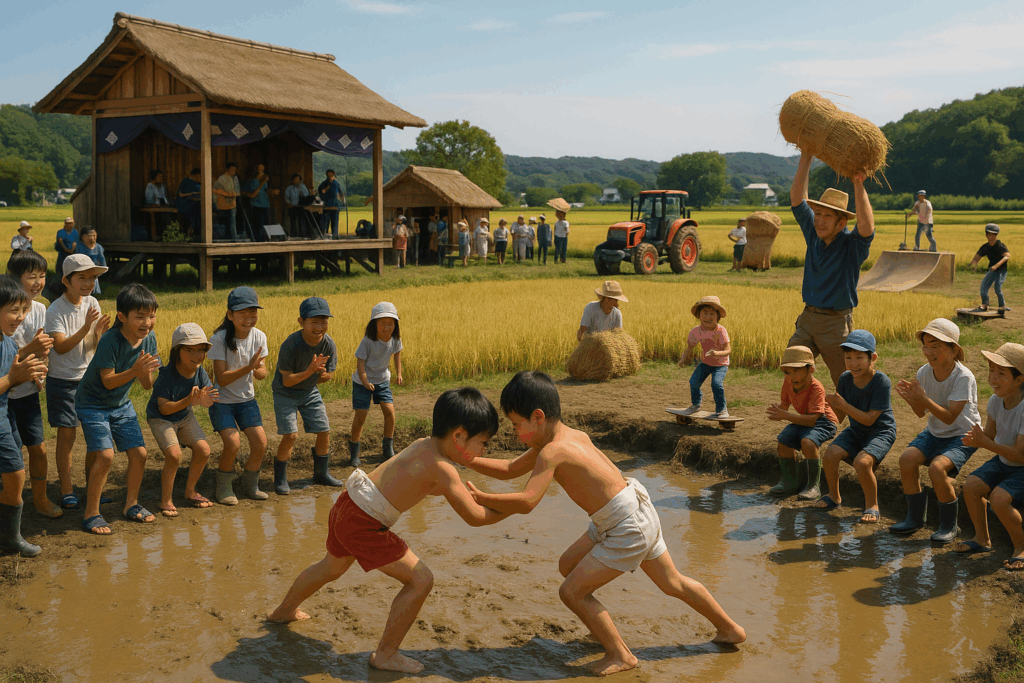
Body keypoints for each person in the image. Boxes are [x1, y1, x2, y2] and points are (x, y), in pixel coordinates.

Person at [465, 371, 746, 675]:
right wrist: (465, 459)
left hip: (625, 526)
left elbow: (527, 501)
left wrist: (482, 498)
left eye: (516, 424)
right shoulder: (571, 436)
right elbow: (509, 469)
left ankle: (620, 654)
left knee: (571, 592)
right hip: (635, 509)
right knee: (581, 567)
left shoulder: (552, 451)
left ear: (538, 417)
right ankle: (730, 629)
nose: (515, 432)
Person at [269, 387, 508, 674]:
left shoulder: (423, 445)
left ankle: (282, 612)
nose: (484, 451)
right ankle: (386, 655)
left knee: (331, 566)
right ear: (458, 436)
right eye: (482, 442)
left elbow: (421, 485)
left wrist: (464, 495)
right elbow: (475, 518)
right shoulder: (444, 469)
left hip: (347, 503)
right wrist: (513, 507)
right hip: (363, 522)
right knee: (421, 580)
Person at [75, 283, 160, 535]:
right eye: (140, 317)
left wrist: (142, 372)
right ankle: (91, 513)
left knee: (140, 453)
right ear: (122, 317)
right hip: (92, 403)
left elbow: (147, 385)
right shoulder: (110, 340)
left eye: (152, 316)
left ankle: (131, 504)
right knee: (105, 455)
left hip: (121, 404)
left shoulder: (150, 339)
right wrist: (135, 370)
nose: (147, 323)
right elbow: (108, 381)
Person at [789, 150, 875, 389]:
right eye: (818, 214)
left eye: (828, 216)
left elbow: (866, 228)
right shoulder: (813, 234)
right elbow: (797, 199)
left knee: (846, 381)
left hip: (835, 324)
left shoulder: (851, 246)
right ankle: (813, 407)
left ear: (841, 223)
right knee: (793, 364)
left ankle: (850, 411)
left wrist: (858, 184)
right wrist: (806, 157)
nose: (820, 220)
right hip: (808, 318)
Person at [890, 318, 980, 543]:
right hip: (935, 432)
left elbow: (950, 417)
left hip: (963, 434)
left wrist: (922, 398)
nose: (928, 352)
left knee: (937, 469)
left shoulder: (963, 377)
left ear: (953, 350)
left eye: (935, 346)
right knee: (906, 460)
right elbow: (921, 413)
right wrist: (912, 399)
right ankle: (914, 519)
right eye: (926, 346)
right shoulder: (924, 372)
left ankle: (950, 525)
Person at [45, 254, 109, 513]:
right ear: (66, 281)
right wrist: (86, 327)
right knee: (67, 435)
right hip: (63, 381)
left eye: (92, 278)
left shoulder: (92, 302)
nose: (88, 283)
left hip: (89, 380)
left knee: (94, 434)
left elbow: (93, 345)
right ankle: (67, 490)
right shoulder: (55, 310)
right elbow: (60, 347)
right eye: (82, 278)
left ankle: (92, 486)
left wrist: (99, 334)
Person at [814, 330, 897, 522]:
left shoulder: (881, 382)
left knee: (862, 462)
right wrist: (826, 409)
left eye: (859, 357)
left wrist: (842, 404)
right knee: (830, 454)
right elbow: (841, 416)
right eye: (848, 357)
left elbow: (869, 419)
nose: (853, 363)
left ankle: (872, 505)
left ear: (873, 358)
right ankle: (834, 496)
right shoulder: (845, 378)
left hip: (881, 431)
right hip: (856, 430)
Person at [955, 343, 1024, 567]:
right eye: (991, 370)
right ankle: (982, 539)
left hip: (1021, 465)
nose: (993, 378)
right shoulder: (996, 401)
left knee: (999, 499)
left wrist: (984, 443)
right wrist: (976, 437)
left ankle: (1021, 546)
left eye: (1001, 373)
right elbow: (991, 434)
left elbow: (1020, 456)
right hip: (1005, 461)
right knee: (971, 485)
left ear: (1019, 380)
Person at [272, 297, 343, 495]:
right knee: (291, 435)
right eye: (314, 322)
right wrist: (311, 370)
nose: (319, 327)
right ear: (301, 322)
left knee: (324, 430)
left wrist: (320, 373)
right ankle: (280, 479)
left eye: (324, 322)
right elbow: (287, 381)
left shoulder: (328, 344)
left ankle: (321, 473)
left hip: (309, 391)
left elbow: (328, 376)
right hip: (285, 392)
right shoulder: (291, 344)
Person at [146, 323, 218, 517]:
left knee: (204, 450)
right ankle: (166, 500)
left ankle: (190, 491)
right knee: (174, 455)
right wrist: (189, 400)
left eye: (201, 350)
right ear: (177, 351)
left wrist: (205, 400)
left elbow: (208, 400)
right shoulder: (166, 374)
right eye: (190, 350)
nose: (197, 355)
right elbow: (164, 408)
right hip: (161, 418)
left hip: (184, 415)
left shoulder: (200, 371)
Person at [6, 251, 57, 519]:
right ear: (15, 279)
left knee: (38, 447)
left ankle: (40, 498)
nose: (38, 282)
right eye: (31, 276)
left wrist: (42, 356)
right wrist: (32, 349)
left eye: (42, 276)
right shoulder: (5, 310)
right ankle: (12, 504)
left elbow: (41, 351)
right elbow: (7, 358)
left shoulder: (40, 309)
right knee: (12, 454)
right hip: (5, 395)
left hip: (28, 392)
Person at [208, 287, 270, 505]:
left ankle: (250, 485)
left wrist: (256, 368)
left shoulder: (259, 336)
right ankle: (224, 488)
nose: (248, 319)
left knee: (260, 443)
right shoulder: (218, 339)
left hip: (247, 401)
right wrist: (249, 367)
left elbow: (262, 373)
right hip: (222, 402)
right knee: (233, 444)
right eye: (242, 313)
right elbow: (222, 379)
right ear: (230, 315)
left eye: (252, 313)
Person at [0, 276, 48, 556]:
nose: (20, 317)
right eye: (13, 310)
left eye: (23, 310)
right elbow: (9, 378)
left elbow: (12, 372)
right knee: (15, 473)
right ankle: (11, 537)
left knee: (14, 472)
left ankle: (10, 535)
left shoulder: (7, 343)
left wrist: (29, 372)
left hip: (4, 415)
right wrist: (13, 377)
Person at [766, 345, 839, 500]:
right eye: (787, 372)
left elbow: (813, 419)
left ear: (810, 370)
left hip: (824, 421)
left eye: (796, 370)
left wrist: (785, 415)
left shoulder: (816, 387)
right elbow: (785, 405)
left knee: (808, 442)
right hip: (804, 419)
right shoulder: (788, 383)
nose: (792, 376)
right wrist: (778, 411)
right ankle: (789, 482)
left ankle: (813, 486)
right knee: (783, 441)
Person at [349, 302, 403, 467]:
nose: (387, 328)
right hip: (362, 382)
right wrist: (365, 381)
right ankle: (354, 453)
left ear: (395, 324)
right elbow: (360, 362)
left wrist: (399, 374)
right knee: (361, 416)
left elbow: (397, 356)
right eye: (383, 324)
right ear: (374, 324)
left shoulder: (395, 339)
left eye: (390, 324)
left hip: (382, 381)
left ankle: (388, 448)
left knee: (390, 413)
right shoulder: (367, 341)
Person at [677, 296, 730, 419]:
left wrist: (717, 353)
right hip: (706, 362)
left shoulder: (721, 331)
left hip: (721, 364)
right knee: (694, 382)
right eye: (705, 313)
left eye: (712, 314)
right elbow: (690, 347)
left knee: (716, 384)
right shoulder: (696, 331)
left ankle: (722, 410)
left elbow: (728, 350)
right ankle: (696, 405)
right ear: (699, 315)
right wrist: (682, 359)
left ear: (718, 317)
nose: (708, 317)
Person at [969, 223, 1011, 312]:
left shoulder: (1000, 246)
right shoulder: (985, 247)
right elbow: (976, 258)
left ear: (996, 235)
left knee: (997, 288)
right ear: (986, 235)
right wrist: (973, 265)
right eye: (988, 234)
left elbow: (1007, 256)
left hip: (1001, 270)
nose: (990, 237)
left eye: (992, 235)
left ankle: (1002, 306)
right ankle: (985, 304)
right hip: (992, 270)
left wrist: (996, 266)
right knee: (984, 286)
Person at [243, 164, 274, 241]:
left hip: (265, 205)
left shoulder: (265, 181)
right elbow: (253, 194)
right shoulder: (253, 181)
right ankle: (258, 240)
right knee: (258, 225)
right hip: (256, 205)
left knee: (267, 224)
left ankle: (268, 239)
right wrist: (263, 182)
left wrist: (272, 191)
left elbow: (265, 190)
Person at [214, 162, 241, 241]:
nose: (234, 171)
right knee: (223, 223)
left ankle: (234, 239)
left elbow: (237, 192)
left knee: (232, 223)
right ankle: (224, 238)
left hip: (232, 204)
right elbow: (215, 190)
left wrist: (234, 194)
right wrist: (225, 194)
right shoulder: (221, 178)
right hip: (222, 205)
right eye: (232, 169)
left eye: (235, 170)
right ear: (227, 169)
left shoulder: (235, 179)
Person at [74, 227, 105, 297]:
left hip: (94, 272)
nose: (93, 238)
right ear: (83, 237)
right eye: (90, 236)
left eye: (94, 235)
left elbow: (102, 260)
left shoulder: (98, 247)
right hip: (83, 270)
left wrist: (100, 270)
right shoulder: (80, 247)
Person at [317, 170, 346, 239]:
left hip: (335, 206)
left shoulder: (336, 183)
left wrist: (343, 202)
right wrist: (327, 188)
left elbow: (341, 193)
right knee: (325, 224)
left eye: (332, 175)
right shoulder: (324, 183)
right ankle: (325, 237)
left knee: (335, 223)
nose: (330, 176)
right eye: (329, 175)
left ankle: (335, 237)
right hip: (326, 207)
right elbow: (321, 192)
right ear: (327, 175)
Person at [175, 167, 202, 235]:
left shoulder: (198, 184)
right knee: (193, 212)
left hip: (195, 203)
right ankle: (192, 230)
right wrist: (192, 193)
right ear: (194, 175)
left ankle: (197, 231)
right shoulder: (186, 181)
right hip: (185, 203)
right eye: (198, 176)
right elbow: (181, 194)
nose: (199, 178)